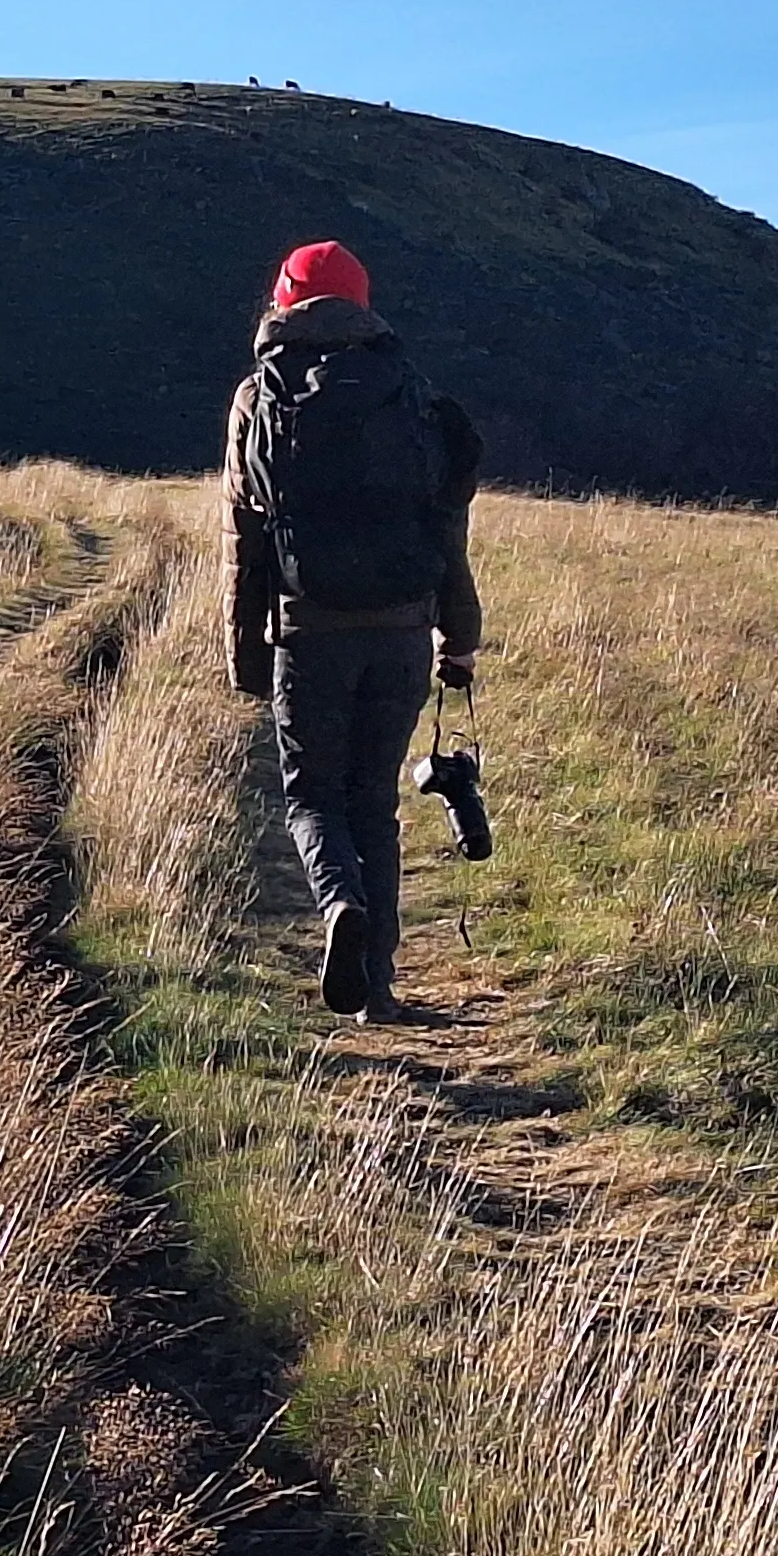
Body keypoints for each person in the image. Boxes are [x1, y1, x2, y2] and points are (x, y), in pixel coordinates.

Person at [222, 240, 481, 1024]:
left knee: (311, 800)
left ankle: (338, 907)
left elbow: (247, 538)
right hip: (403, 629)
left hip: (309, 631)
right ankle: (380, 990)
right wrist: (457, 636)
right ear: (363, 304)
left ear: (284, 300)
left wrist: (245, 654)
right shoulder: (409, 389)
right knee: (374, 804)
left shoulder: (259, 396)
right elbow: (447, 525)